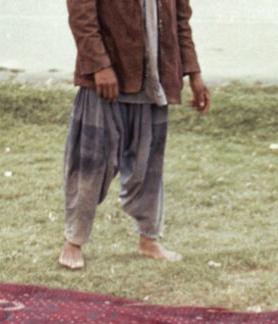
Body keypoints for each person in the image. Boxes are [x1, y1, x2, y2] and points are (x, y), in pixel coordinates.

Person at [59, 0, 211, 270]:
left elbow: (181, 22)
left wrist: (194, 74)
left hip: (155, 82)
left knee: (149, 167)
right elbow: (82, 16)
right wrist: (99, 67)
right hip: (106, 82)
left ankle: (148, 240)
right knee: (90, 165)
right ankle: (73, 241)